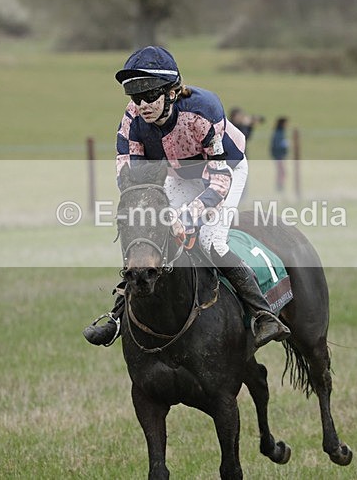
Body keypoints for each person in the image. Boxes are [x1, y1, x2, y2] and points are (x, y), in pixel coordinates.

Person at [82, 46, 290, 348]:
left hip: (224, 171)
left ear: (172, 92)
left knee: (209, 241)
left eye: (150, 94)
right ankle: (117, 316)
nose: (142, 104)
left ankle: (262, 314)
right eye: (135, 96)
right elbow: (132, 179)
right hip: (179, 175)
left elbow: (220, 180)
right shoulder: (132, 120)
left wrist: (187, 220)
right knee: (148, 234)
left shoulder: (203, 110)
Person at [270, 116, 289, 193]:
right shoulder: (278, 132)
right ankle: (279, 187)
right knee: (282, 172)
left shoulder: (280, 131)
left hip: (280, 156)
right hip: (278, 156)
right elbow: (277, 144)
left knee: (282, 171)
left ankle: (280, 187)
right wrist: (285, 144)